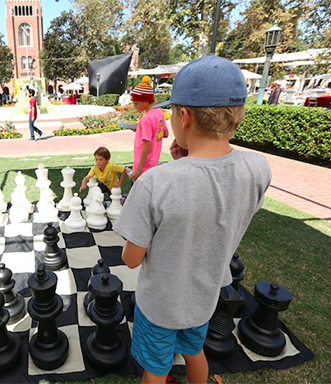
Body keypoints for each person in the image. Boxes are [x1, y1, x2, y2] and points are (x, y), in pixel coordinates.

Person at [113, 54, 271, 384]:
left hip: (159, 306)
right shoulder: (259, 170)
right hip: (203, 300)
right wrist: (190, 162)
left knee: (156, 370)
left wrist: (183, 167)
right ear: (237, 115)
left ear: (183, 116)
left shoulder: (155, 182)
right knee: (194, 353)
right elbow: (218, 205)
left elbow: (130, 259)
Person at [129, 76, 169, 181]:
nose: (134, 106)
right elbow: (165, 134)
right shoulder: (159, 113)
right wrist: (139, 130)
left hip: (142, 169)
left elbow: (146, 146)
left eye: (136, 103)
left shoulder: (146, 119)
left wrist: (138, 170)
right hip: (153, 165)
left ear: (146, 102)